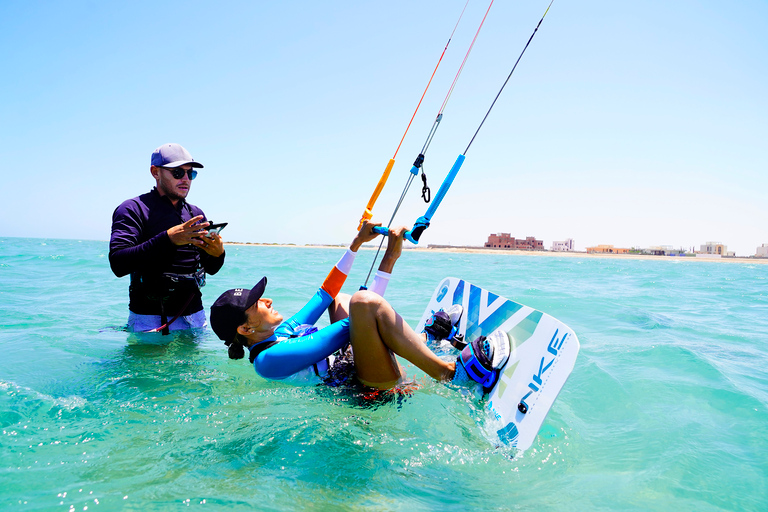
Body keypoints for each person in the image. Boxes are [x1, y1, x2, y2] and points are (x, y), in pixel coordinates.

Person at [210, 222, 510, 391]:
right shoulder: (267, 361)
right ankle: (451, 373)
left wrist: (357, 243)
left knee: (343, 301)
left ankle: (429, 340)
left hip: (353, 363)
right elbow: (356, 322)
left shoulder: (281, 334)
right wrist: (389, 261)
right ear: (246, 328)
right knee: (362, 303)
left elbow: (325, 294)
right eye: (257, 302)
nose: (267, 299)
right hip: (366, 392)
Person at [109, 143, 226, 334]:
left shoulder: (195, 213)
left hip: (195, 316)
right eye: (178, 173)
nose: (186, 179)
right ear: (155, 172)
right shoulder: (133, 209)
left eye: (191, 174)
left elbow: (211, 269)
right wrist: (168, 239)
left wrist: (218, 254)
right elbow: (118, 263)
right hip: (150, 319)